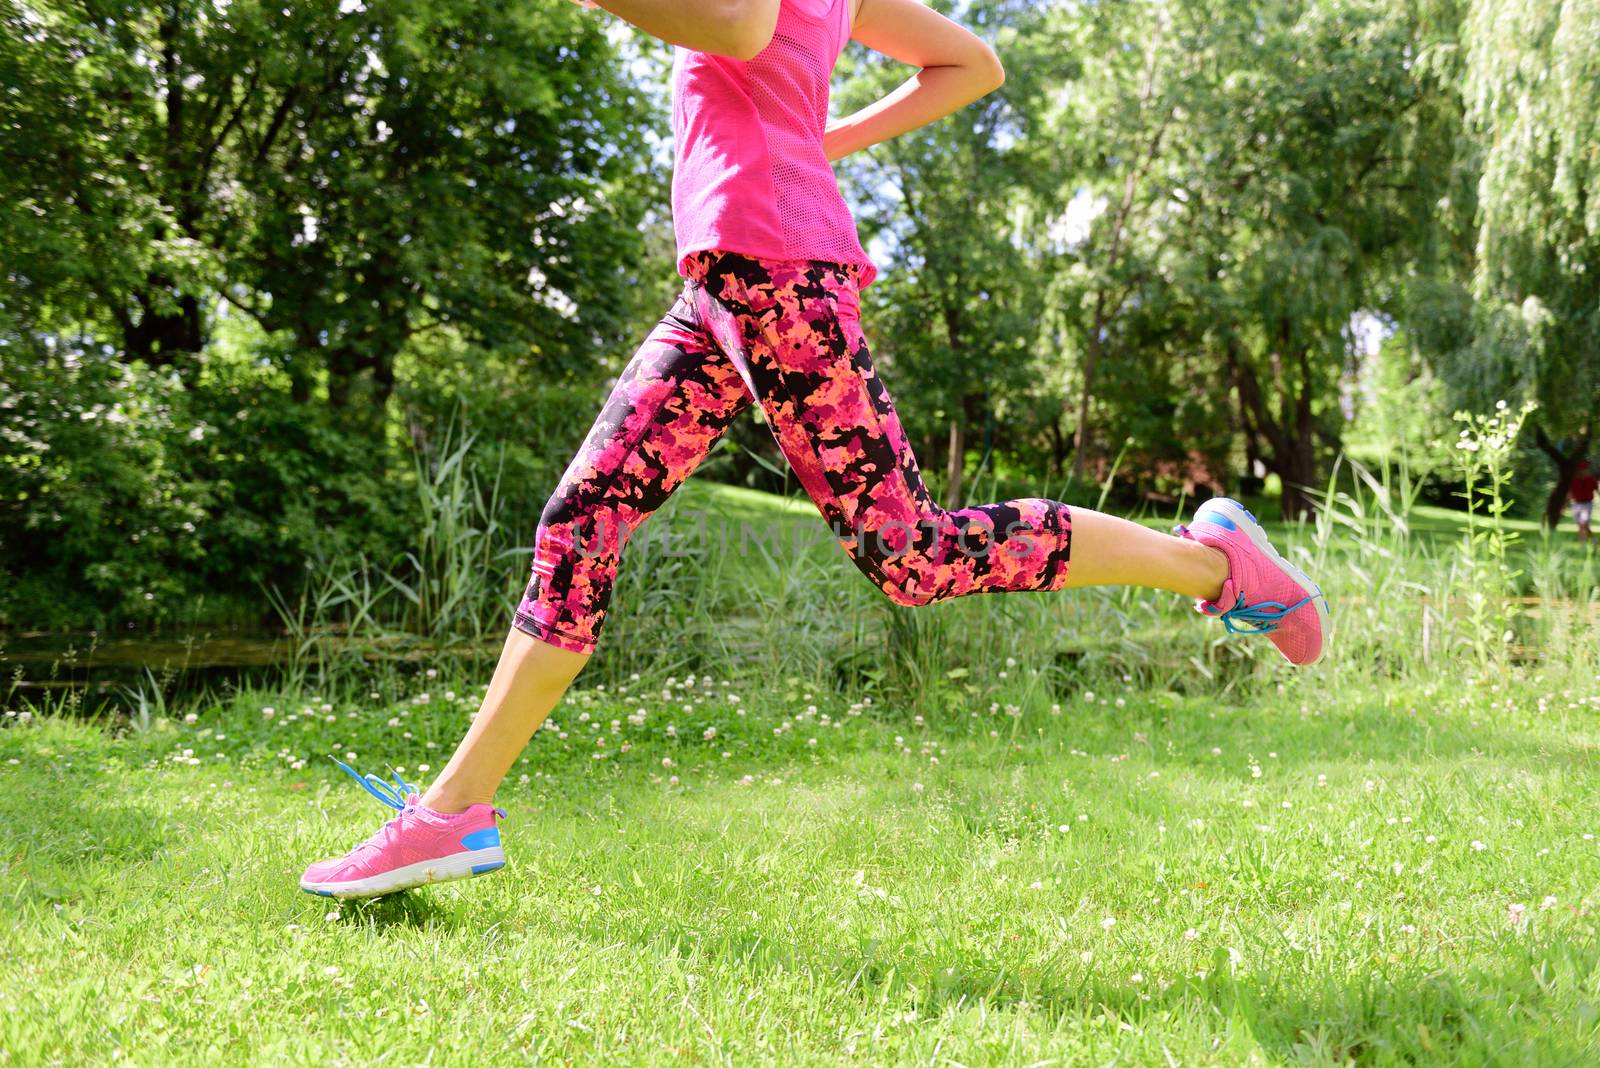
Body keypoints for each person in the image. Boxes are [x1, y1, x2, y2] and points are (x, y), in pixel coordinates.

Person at [299, 0, 1328, 900]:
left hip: (776, 267)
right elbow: (972, 63)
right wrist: (817, 140)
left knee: (912, 557)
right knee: (582, 520)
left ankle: (1215, 563)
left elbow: (744, 24)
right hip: (726, 279)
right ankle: (453, 812)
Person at [1571, 460, 1597, 545]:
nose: (1581, 471)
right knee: (1583, 525)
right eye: (1579, 470)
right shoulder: (1574, 480)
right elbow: (1570, 493)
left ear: (1586, 470)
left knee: (1582, 524)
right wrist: (1564, 506)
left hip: (1587, 504)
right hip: (1576, 504)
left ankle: (1581, 545)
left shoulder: (1591, 479)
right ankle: (1594, 540)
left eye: (1583, 469)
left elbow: (1597, 490)